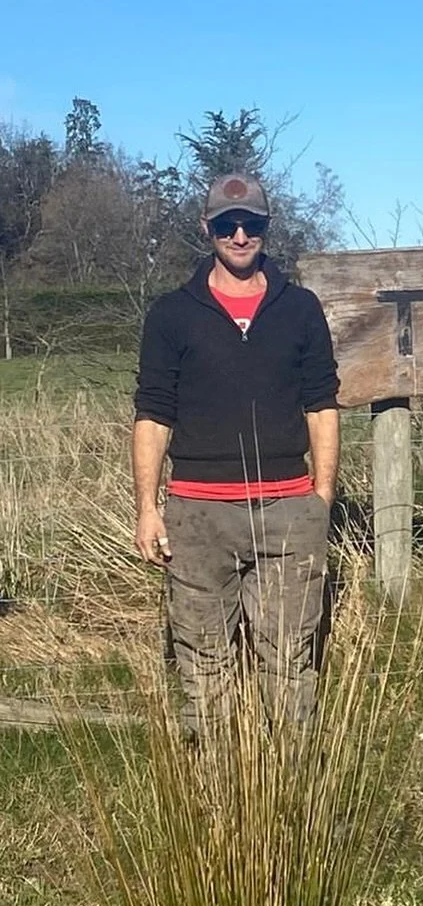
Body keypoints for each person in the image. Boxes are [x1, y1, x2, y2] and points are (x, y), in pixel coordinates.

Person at [132, 172, 341, 736]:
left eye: (252, 224)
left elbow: (321, 404)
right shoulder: (172, 314)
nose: (241, 236)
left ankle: (294, 773)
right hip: (198, 515)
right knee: (203, 660)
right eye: (228, 225)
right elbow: (153, 413)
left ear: (268, 227)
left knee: (290, 656)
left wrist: (320, 498)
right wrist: (147, 508)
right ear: (208, 228)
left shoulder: (300, 309)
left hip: (288, 510)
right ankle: (214, 778)